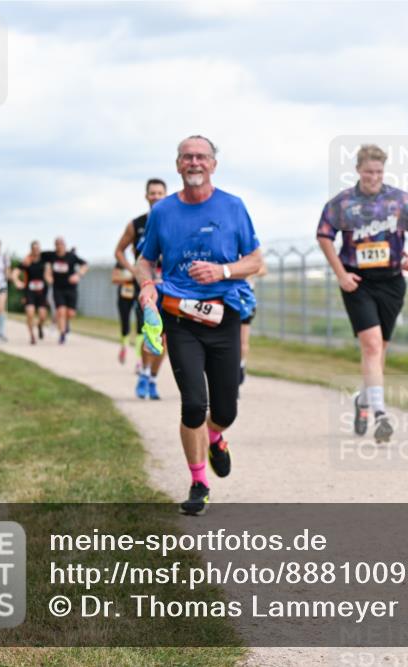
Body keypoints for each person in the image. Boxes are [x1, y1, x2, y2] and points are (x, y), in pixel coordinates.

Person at [135, 135, 262, 516]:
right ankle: (198, 481)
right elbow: (145, 260)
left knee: (225, 410)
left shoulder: (233, 207)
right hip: (179, 317)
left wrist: (222, 270)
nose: (194, 163)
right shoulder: (163, 212)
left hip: (224, 315)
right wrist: (146, 287)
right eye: (187, 157)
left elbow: (254, 259)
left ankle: (216, 435)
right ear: (178, 165)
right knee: (193, 404)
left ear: (213, 164)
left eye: (201, 157)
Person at [316, 144, 408, 443]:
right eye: (368, 172)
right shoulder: (341, 203)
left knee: (380, 351)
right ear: (358, 170)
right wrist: (340, 273)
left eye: (378, 172)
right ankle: (380, 413)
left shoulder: (399, 200)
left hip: (391, 280)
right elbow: (324, 235)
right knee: (371, 345)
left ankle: (361, 400)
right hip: (358, 281)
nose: (373, 177)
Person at [114, 178, 168, 399]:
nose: (155, 197)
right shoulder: (136, 224)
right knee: (150, 332)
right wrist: (132, 269)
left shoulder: (174, 221)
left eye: (159, 193)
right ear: (146, 196)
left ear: (166, 196)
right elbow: (119, 251)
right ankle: (144, 374)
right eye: (152, 193)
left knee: (165, 339)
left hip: (170, 287)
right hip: (146, 287)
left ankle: (153, 378)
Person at [42, 237, 87, 344]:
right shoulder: (50, 256)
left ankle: (66, 323)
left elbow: (85, 265)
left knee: (70, 313)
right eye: (57, 244)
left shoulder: (71, 256)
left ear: (65, 245)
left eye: (61, 244)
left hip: (71, 288)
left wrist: (78, 275)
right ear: (55, 245)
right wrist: (48, 278)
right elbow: (36, 257)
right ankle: (62, 335)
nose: (59, 246)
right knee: (61, 311)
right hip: (58, 288)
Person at [12, 241, 50, 345]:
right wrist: (16, 281)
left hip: (42, 291)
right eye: (34, 249)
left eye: (38, 249)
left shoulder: (44, 261)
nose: (36, 251)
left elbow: (49, 273)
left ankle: (40, 326)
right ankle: (32, 336)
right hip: (30, 291)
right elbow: (15, 272)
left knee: (42, 316)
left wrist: (50, 279)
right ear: (31, 250)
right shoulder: (27, 261)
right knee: (30, 313)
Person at [238, 258, 267, 389]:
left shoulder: (250, 250)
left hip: (246, 296)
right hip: (229, 294)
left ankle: (241, 365)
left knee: (243, 340)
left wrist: (246, 272)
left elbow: (263, 269)